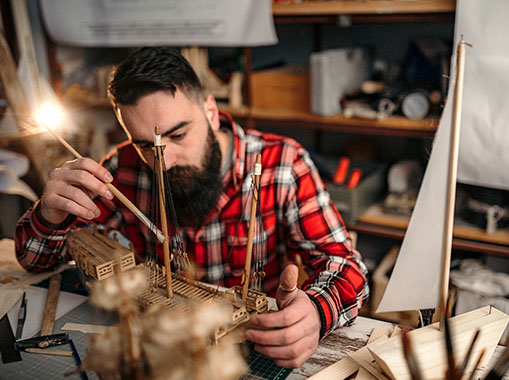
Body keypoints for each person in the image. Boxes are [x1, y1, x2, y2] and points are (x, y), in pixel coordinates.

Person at [14, 47, 369, 368]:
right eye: (145, 146)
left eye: (178, 135)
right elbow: (36, 263)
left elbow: (347, 266)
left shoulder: (283, 164)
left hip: (251, 344)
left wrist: (316, 312)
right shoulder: (119, 171)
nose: (164, 163)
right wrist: (49, 215)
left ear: (211, 112)